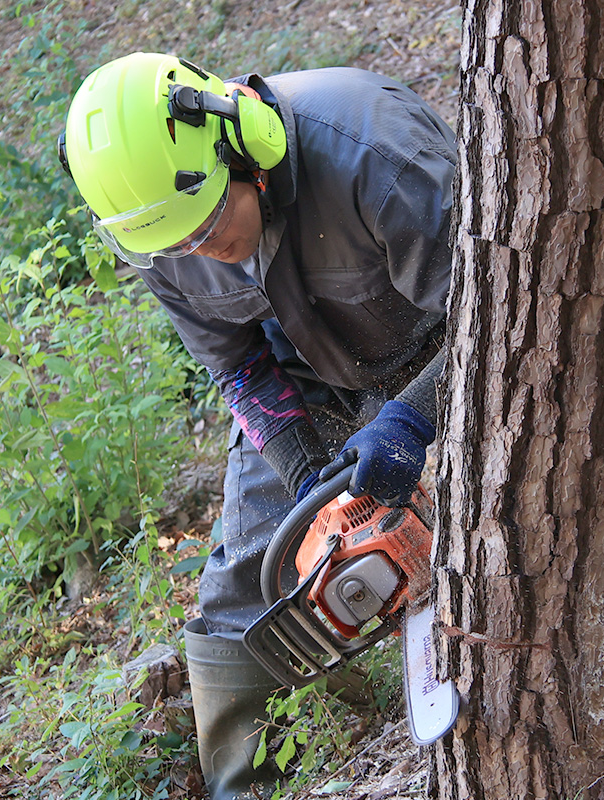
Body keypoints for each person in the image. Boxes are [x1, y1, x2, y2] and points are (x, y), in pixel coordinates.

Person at [59, 52, 455, 799]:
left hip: (441, 346)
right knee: (249, 575)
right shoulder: (160, 230)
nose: (199, 250)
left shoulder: (375, 153)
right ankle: (262, 775)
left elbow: (505, 322)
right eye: (176, 244)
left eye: (207, 224)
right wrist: (313, 482)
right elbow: (238, 368)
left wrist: (415, 417)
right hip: (308, 366)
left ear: (244, 147)